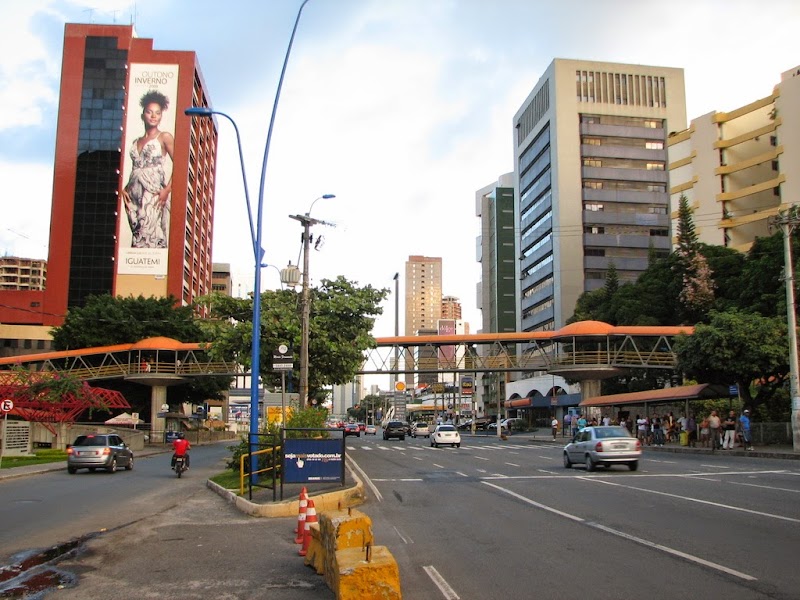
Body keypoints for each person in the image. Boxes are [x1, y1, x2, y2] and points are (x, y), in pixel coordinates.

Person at [122, 90, 175, 249]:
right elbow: (135, 168)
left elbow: (180, 164)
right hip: (133, 196)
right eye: (149, 112)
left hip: (152, 192)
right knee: (137, 234)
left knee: (149, 233)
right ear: (142, 114)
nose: (153, 116)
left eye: (157, 113)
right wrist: (124, 188)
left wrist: (167, 190)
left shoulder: (164, 137)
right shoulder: (135, 140)